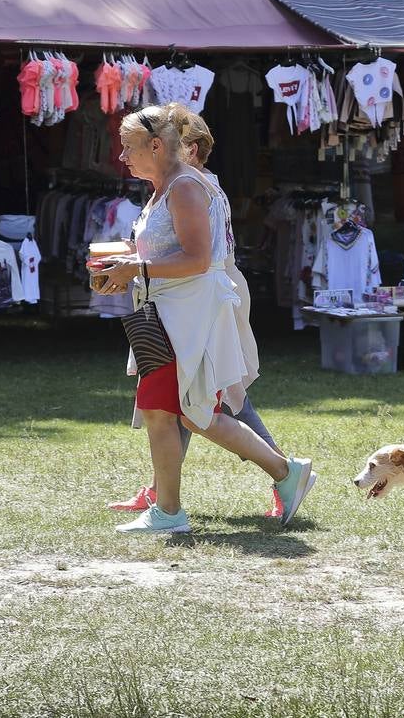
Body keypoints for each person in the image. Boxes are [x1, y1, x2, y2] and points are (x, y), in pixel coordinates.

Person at [92, 106, 315, 534]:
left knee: (164, 410)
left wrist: (135, 270)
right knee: (195, 414)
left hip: (187, 317)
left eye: (129, 147)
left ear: (157, 146)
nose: (122, 157)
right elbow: (168, 249)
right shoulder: (166, 186)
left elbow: (198, 259)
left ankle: (169, 513)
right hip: (169, 314)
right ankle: (286, 473)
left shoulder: (185, 187)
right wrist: (126, 263)